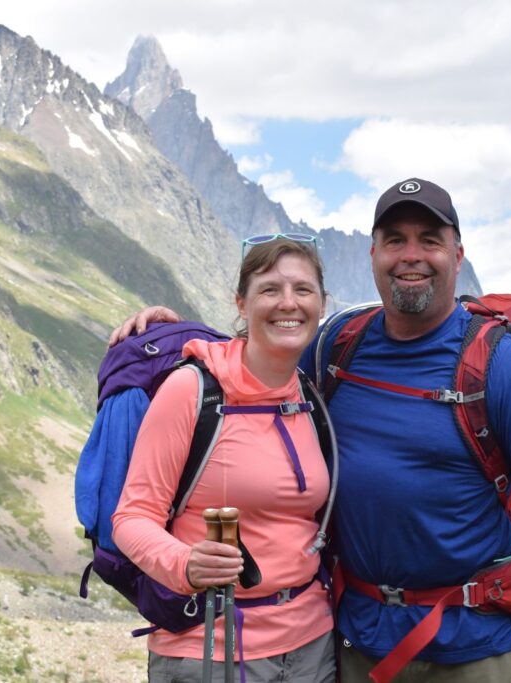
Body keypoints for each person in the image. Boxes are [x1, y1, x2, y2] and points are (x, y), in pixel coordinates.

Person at [112, 177, 511, 682]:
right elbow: (262, 352)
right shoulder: (339, 345)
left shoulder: (499, 360)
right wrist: (172, 334)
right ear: (373, 256)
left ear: (457, 256)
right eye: (395, 240)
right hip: (357, 642)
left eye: (429, 240)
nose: (411, 255)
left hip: (472, 648)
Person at [112, 237, 336, 682]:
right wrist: (184, 563)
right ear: (241, 303)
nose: (288, 303)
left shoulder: (311, 393)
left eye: (303, 290)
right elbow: (132, 517)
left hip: (312, 646)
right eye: (269, 289)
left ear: (322, 304)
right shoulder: (192, 390)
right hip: (209, 647)